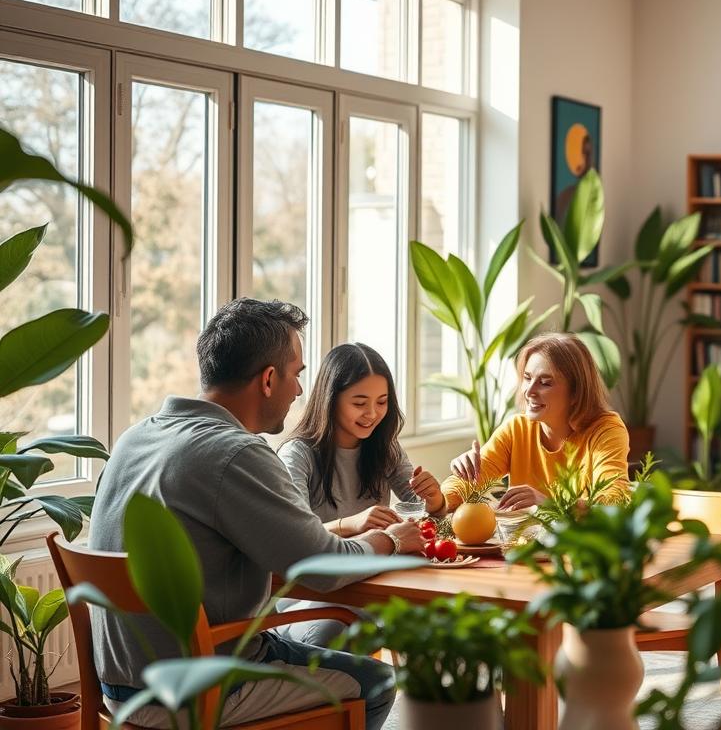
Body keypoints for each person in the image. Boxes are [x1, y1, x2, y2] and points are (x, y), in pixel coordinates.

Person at [87, 299, 426, 730]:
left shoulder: (137, 436)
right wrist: (392, 539)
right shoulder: (236, 452)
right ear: (269, 379)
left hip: (120, 685)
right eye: (298, 375)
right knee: (376, 681)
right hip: (202, 685)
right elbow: (320, 568)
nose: (301, 391)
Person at [275, 342, 447, 645]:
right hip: (312, 595)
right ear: (331, 399)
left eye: (382, 402)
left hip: (372, 583)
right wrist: (350, 524)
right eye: (359, 403)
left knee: (443, 613)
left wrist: (435, 499)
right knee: (334, 630)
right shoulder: (298, 454)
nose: (372, 413)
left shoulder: (383, 447)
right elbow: (292, 538)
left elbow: (420, 507)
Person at [446, 332, 630, 510]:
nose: (529, 391)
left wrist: (549, 504)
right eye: (527, 378)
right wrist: (439, 499)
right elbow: (462, 486)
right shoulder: (516, 429)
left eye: (545, 382)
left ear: (576, 392)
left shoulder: (606, 430)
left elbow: (612, 503)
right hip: (526, 541)